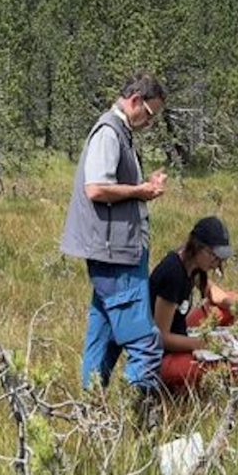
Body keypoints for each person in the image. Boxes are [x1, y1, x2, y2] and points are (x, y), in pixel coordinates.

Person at [61, 74, 170, 410]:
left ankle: (91, 414)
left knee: (104, 337)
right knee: (145, 342)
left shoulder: (120, 133)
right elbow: (95, 188)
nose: (150, 123)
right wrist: (141, 191)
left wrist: (142, 185)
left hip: (120, 254)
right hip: (115, 257)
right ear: (135, 100)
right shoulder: (109, 132)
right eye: (150, 114)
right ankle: (139, 420)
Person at [149, 215, 238, 396]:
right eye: (214, 257)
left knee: (231, 299)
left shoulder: (192, 264)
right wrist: (204, 343)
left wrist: (231, 304)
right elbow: (160, 338)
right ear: (199, 248)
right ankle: (175, 384)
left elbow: (210, 291)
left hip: (183, 333)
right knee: (228, 367)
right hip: (162, 356)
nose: (217, 263)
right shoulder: (173, 273)